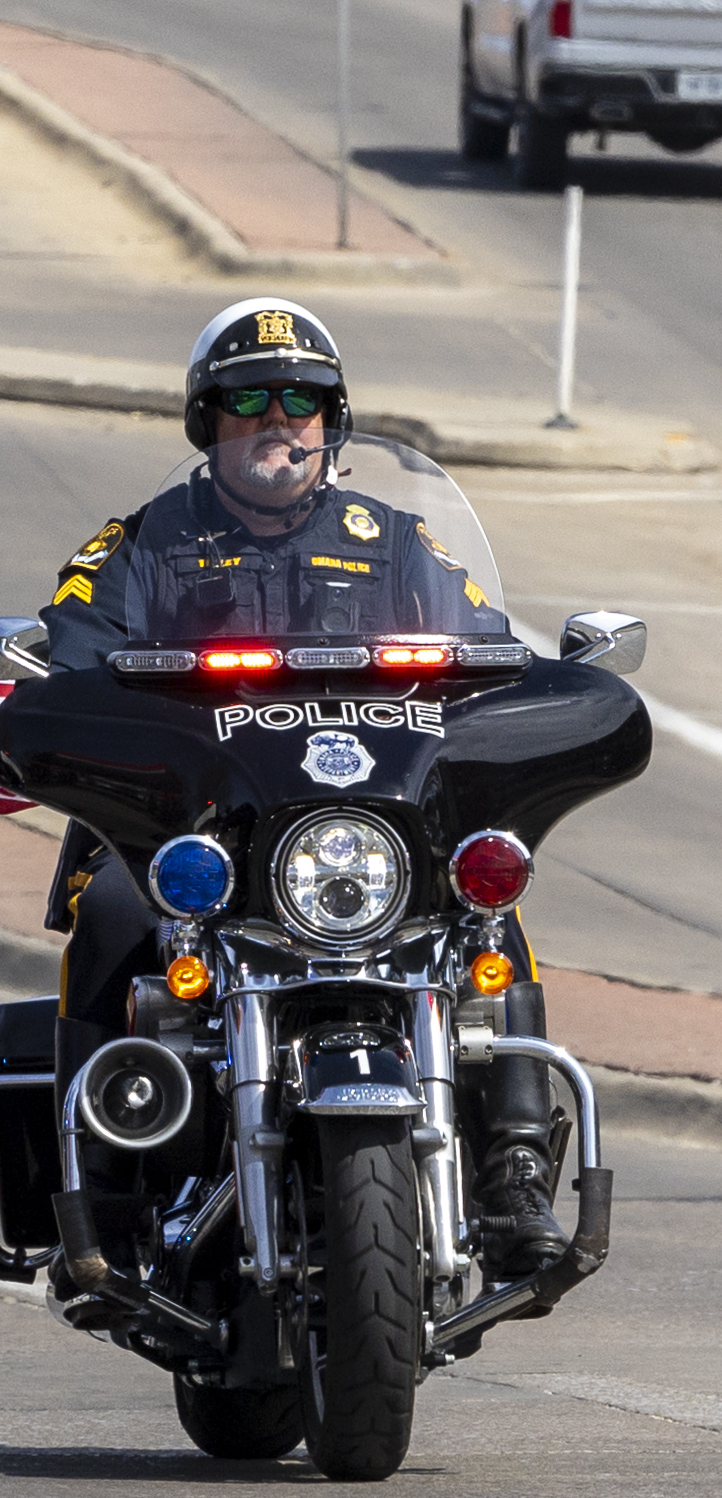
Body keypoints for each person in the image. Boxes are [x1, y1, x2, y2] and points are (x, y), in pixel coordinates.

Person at [32, 298, 562, 1278]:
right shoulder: (139, 544)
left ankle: (514, 1166)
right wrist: (84, 696)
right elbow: (72, 656)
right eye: (248, 399)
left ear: (331, 418)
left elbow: (492, 647)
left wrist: (535, 688)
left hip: (362, 829)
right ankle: (96, 1194)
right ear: (208, 422)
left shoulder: (397, 539)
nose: (277, 418)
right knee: (108, 907)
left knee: (489, 904)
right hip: (192, 831)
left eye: (300, 399)